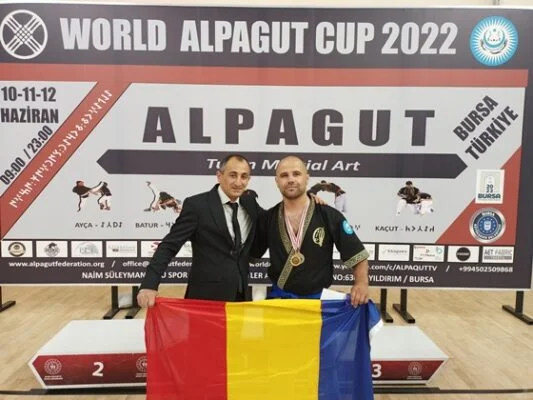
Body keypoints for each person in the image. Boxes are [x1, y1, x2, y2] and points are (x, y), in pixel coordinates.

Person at [137, 155, 262, 306]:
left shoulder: (250, 203)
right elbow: (169, 246)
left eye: (244, 176)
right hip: (204, 299)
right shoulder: (197, 206)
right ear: (219, 176)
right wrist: (149, 284)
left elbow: (270, 223)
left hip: (240, 297)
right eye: (233, 175)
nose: (238, 182)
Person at [252, 156, 370, 306]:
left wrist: (361, 283)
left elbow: (358, 255)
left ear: (307, 178)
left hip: (318, 302)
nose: (290, 179)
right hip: (280, 301)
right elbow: (250, 254)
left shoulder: (328, 215)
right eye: (284, 175)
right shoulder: (267, 218)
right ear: (277, 181)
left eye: (296, 174)